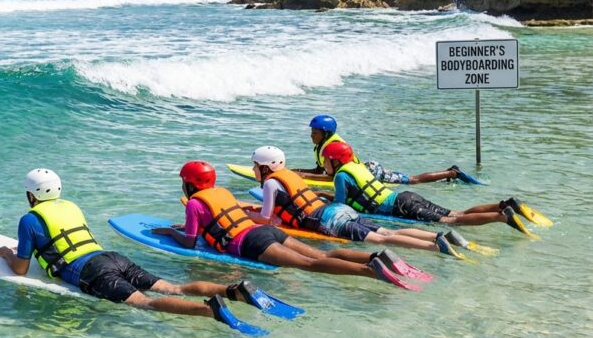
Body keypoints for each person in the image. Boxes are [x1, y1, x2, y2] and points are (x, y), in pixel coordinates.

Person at [0, 169, 271, 331]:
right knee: (173, 287)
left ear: (30, 195)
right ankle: (233, 290)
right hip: (112, 257)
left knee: (144, 303)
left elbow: (21, 268)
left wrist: (5, 253)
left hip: (91, 271)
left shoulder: (29, 219)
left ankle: (211, 312)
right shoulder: (71, 206)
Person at [151, 161, 429, 289]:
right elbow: (223, 221)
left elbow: (189, 241)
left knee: (309, 264)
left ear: (189, 184)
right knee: (321, 254)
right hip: (266, 230)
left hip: (251, 243)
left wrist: (168, 232)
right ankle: (375, 257)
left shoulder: (195, 203)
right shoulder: (221, 193)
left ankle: (369, 272)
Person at [248, 146, 474, 259]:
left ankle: (435, 247)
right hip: (338, 210)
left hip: (328, 220)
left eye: (255, 166)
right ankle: (436, 236)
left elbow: (266, 217)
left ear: (265, 167)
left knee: (380, 239)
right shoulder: (289, 175)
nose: (254, 169)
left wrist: (249, 215)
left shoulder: (270, 184)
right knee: (386, 231)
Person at [320, 141, 542, 238]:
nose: (324, 165)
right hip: (405, 197)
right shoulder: (355, 167)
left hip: (400, 207)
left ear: (334, 160)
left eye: (326, 161)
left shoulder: (340, 175)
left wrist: (322, 203)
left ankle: (501, 217)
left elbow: (341, 204)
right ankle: (505, 205)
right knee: (456, 213)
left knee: (451, 221)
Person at [293, 114, 462, 185]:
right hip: (366, 167)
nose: (311, 136)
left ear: (326, 133)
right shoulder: (322, 145)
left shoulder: (331, 147)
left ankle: (451, 173)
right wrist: (296, 171)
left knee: (412, 180)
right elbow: (320, 170)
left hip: (370, 172)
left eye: (314, 132)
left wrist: (303, 176)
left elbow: (332, 178)